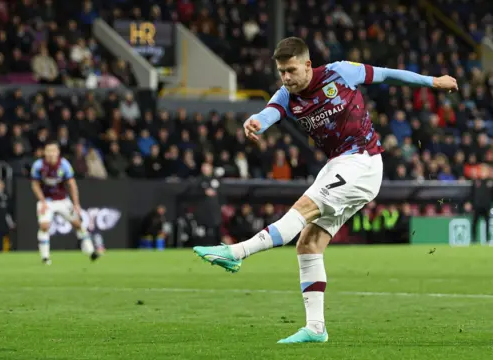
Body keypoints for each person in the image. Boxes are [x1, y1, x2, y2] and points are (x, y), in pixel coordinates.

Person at [193, 37, 458, 344]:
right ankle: (316, 328)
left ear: (308, 65)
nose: (287, 78)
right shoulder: (286, 95)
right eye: (281, 72)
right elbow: (268, 114)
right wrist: (254, 122)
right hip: (338, 165)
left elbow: (385, 73)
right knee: (308, 244)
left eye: (291, 70)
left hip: (363, 160)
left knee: (304, 208)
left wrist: (432, 81)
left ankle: (236, 252)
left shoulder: (340, 72)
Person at [30, 140, 100, 264]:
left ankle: (91, 251)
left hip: (62, 200)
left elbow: (72, 184)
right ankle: (45, 257)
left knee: (77, 224)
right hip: (46, 201)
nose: (51, 154)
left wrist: (76, 204)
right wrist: (42, 201)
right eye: (48, 151)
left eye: (53, 151)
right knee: (44, 226)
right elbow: (35, 185)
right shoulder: (38, 166)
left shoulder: (64, 165)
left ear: (58, 152)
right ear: (44, 152)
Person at [0, 179, 15, 251]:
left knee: (7, 239)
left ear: (3, 185)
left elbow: (10, 210)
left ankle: (7, 252)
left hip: (6, 222)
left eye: (0, 184)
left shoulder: (7, 196)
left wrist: (12, 221)